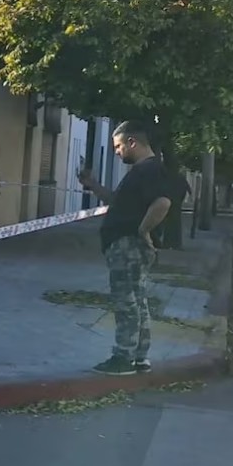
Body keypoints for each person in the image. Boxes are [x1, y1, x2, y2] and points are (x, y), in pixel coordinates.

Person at [77, 121, 174, 375]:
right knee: (137, 300)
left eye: (119, 146)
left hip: (129, 246)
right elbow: (117, 202)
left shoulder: (149, 171)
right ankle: (139, 357)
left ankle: (123, 357)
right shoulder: (141, 173)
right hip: (127, 246)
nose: (117, 152)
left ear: (133, 142)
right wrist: (93, 185)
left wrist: (143, 231)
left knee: (126, 301)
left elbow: (162, 203)